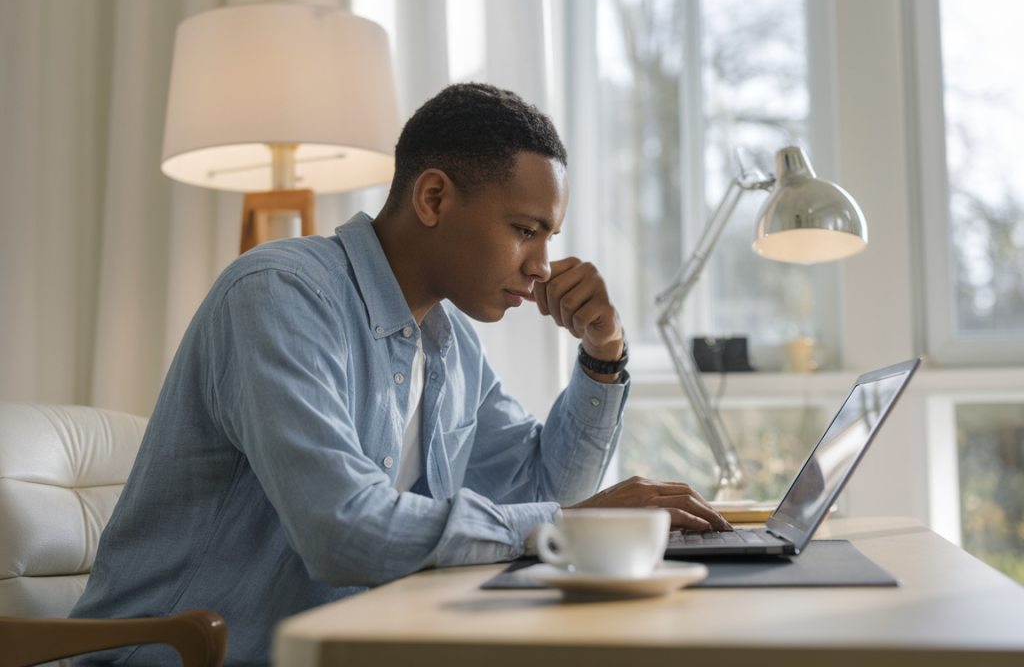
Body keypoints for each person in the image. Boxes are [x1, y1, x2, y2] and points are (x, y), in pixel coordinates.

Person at [71, 83, 729, 666]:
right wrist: (571, 521)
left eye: (549, 236)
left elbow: (543, 484)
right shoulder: (278, 296)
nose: (541, 265)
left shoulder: (450, 343)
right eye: (525, 230)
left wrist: (603, 352)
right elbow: (345, 529)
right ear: (434, 196)